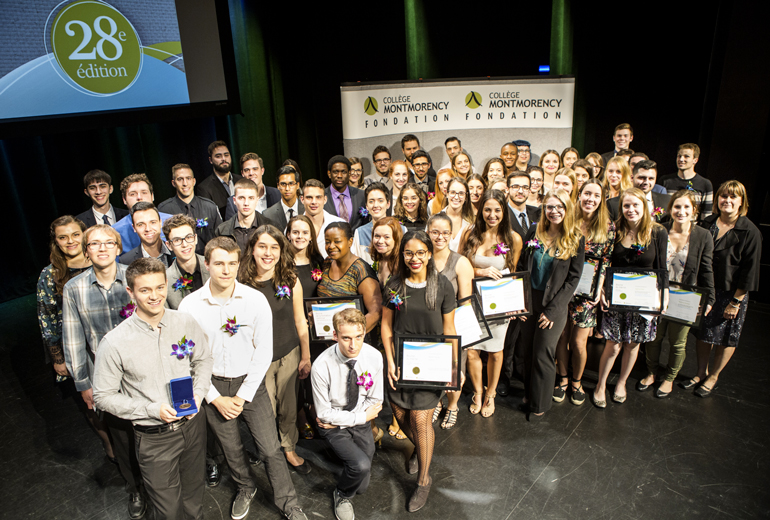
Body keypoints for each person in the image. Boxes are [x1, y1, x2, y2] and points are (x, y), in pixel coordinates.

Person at [179, 237, 309, 520]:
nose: (226, 270)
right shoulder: (189, 306)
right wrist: (215, 398)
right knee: (231, 448)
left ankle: (289, 503)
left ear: (239, 264)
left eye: (232, 264)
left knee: (270, 449)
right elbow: (187, 358)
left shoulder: (255, 300)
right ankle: (245, 488)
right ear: (207, 264)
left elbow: (263, 352)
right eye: (219, 264)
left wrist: (241, 395)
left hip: (250, 385)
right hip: (211, 386)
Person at [92, 258, 213, 520]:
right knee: (168, 511)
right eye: (145, 290)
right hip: (154, 438)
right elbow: (102, 397)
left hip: (193, 428)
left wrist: (199, 393)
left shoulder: (184, 322)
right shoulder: (114, 343)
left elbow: (203, 359)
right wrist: (150, 409)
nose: (155, 296)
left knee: (194, 501)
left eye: (160, 288)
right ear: (131, 292)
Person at [62, 224, 145, 518]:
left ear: (118, 247)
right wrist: (84, 384)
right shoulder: (74, 289)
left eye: (108, 242)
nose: (102, 248)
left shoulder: (135, 276)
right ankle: (135, 487)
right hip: (105, 376)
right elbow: (73, 340)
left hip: (142, 369)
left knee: (148, 431)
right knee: (121, 436)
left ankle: (157, 481)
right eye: (94, 244)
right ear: (86, 251)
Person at [382, 231, 457, 512]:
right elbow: (387, 326)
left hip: (431, 363)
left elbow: (449, 329)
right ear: (402, 255)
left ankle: (424, 479)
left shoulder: (443, 286)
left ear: (429, 254)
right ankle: (421, 449)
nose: (414, 258)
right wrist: (389, 360)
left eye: (420, 253)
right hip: (400, 361)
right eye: (408, 253)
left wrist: (452, 366)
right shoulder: (395, 285)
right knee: (401, 416)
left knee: (420, 419)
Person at [37, 216, 115, 463]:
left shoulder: (101, 262)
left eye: (74, 235)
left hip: (105, 342)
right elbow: (46, 318)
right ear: (56, 242)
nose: (70, 241)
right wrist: (57, 358)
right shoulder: (50, 275)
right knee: (91, 402)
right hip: (74, 348)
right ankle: (110, 446)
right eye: (63, 237)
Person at [239, 226, 312, 473]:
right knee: (265, 410)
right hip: (257, 360)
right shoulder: (241, 284)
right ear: (252, 249)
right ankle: (269, 451)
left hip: (289, 352)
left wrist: (305, 356)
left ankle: (289, 448)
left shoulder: (290, 280)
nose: (268, 253)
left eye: (274, 247)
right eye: (262, 246)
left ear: (282, 251)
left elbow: (301, 321)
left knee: (289, 407)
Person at [593, 188, 669, 408]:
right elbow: (604, 264)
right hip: (616, 299)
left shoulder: (657, 232)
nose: (631, 209)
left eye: (636, 205)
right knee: (613, 345)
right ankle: (600, 385)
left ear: (644, 206)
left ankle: (621, 384)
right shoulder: (614, 230)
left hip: (643, 300)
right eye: (626, 205)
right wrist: (602, 290)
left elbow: (661, 268)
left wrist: (664, 296)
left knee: (632, 344)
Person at [637, 190, 715, 398]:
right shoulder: (659, 230)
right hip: (657, 293)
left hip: (685, 296)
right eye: (677, 207)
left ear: (694, 210)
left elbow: (706, 269)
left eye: (686, 207)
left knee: (678, 341)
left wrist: (710, 299)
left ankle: (670, 378)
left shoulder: (703, 235)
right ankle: (652, 372)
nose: (681, 211)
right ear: (670, 209)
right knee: (654, 337)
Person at [689, 180, 761, 398]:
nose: (727, 200)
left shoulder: (750, 232)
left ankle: (714, 376)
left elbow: (750, 271)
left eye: (733, 197)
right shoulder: (707, 223)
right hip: (706, 289)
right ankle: (701, 372)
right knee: (703, 333)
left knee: (725, 337)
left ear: (742, 202)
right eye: (723, 196)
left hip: (731, 294)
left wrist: (736, 301)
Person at [517, 189, 584, 418]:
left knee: (543, 353)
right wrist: (520, 303)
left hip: (553, 304)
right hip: (530, 300)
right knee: (527, 350)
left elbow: (573, 279)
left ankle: (540, 404)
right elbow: (521, 267)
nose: (554, 211)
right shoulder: (534, 231)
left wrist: (553, 311)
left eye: (559, 207)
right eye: (550, 207)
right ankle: (529, 393)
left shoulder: (576, 238)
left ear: (567, 210)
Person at [311, 308, 383, 520]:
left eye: (359, 337)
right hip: (333, 424)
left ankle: (352, 474)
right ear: (335, 336)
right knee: (360, 467)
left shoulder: (374, 357)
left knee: (363, 480)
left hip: (352, 418)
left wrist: (347, 421)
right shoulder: (321, 366)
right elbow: (324, 413)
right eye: (346, 338)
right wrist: (355, 419)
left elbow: (375, 401)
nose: (353, 345)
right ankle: (342, 494)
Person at [459, 190, 522, 418]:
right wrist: (479, 271)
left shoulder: (513, 238)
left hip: (498, 304)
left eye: (497, 210)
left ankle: (491, 393)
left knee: (495, 351)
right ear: (481, 210)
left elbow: (514, 273)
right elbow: (459, 265)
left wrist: (515, 303)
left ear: (504, 211)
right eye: (487, 209)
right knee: (473, 351)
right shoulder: (470, 234)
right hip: (472, 301)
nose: (492, 215)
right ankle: (477, 391)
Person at [553, 180, 615, 406]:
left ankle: (576, 382)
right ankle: (563, 378)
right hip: (564, 287)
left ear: (601, 200)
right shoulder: (569, 219)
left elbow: (607, 260)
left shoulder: (607, 226)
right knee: (561, 337)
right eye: (587, 193)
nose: (590, 199)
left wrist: (600, 288)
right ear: (579, 195)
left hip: (588, 292)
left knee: (579, 343)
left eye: (596, 195)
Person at [426, 214, 474, 429]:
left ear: (451, 234)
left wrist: (461, 336)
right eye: (435, 232)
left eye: (445, 232)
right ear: (428, 232)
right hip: (427, 326)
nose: (440, 237)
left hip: (452, 325)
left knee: (454, 370)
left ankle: (452, 405)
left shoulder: (460, 262)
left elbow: (465, 303)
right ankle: (437, 401)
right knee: (433, 369)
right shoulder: (422, 258)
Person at [318, 222, 383, 334]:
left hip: (353, 343)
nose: (331, 246)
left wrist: (350, 336)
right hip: (327, 337)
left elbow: (376, 312)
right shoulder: (327, 263)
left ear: (350, 242)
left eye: (337, 241)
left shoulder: (360, 270)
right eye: (327, 242)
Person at [157, 163, 222, 254]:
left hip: (208, 260)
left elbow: (220, 238)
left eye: (188, 178)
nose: (185, 183)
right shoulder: (164, 210)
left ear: (194, 181)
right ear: (173, 183)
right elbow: (162, 243)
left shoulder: (209, 206)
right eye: (180, 179)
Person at [113, 174, 173, 253]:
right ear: (124, 200)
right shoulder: (115, 232)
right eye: (133, 194)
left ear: (152, 196)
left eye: (144, 192)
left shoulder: (172, 222)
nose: (139, 197)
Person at [163, 214, 210, 310]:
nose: (184, 244)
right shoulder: (165, 281)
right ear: (169, 245)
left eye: (188, 237)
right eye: (177, 240)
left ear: (195, 238)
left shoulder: (214, 266)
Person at [214, 178, 273, 254]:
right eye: (241, 198)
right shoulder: (222, 231)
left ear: (257, 200)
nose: (246, 203)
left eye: (251, 198)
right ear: (234, 200)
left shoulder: (271, 228)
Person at [659, 143, 714, 221]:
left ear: (695, 160)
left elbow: (706, 216)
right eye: (679, 156)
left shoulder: (705, 184)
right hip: (667, 228)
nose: (681, 159)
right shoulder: (665, 181)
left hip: (692, 229)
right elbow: (659, 209)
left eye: (686, 156)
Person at [197, 140, 244, 219]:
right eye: (218, 156)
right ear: (210, 160)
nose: (224, 159)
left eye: (226, 155)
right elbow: (209, 218)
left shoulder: (241, 180)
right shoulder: (204, 188)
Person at [119, 202, 175, 267]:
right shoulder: (126, 261)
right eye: (141, 225)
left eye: (153, 222)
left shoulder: (177, 250)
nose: (148, 229)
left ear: (160, 223)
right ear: (134, 228)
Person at [300, 179, 345, 257]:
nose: (314, 202)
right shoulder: (293, 227)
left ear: (325, 199)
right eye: (309, 197)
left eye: (318, 197)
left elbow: (350, 257)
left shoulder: (340, 224)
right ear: (302, 199)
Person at [352, 183, 392, 265]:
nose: (376, 205)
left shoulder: (401, 229)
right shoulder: (360, 233)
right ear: (366, 206)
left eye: (380, 201)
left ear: (388, 204)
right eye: (371, 201)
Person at [324, 155, 367, 230]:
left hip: (356, 240)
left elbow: (365, 223)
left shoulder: (361, 195)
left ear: (349, 173)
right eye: (335, 172)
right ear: (329, 173)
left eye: (343, 172)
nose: (339, 176)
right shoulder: (321, 196)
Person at [287, 214, 325, 299]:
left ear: (311, 236)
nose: (300, 236)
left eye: (305, 233)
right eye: (295, 232)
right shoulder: (281, 262)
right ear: (288, 235)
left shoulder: (318, 261)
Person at [263, 165, 304, 230]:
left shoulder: (307, 210)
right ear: (278, 186)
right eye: (283, 184)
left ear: (297, 185)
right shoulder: (268, 215)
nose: (287, 188)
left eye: (291, 183)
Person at [442, 178, 474, 251]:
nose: (456, 197)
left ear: (466, 197)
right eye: (453, 192)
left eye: (461, 193)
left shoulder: (471, 222)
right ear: (447, 194)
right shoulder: (436, 219)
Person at [506, 171, 541, 240]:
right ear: (507, 189)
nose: (521, 191)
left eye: (525, 187)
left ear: (529, 190)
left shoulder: (538, 213)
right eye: (515, 187)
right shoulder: (501, 214)